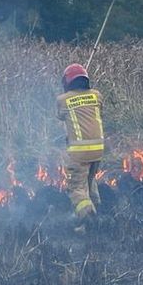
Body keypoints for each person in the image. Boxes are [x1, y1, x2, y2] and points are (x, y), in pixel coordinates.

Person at [56, 63, 104, 231]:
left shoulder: (63, 100)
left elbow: (60, 116)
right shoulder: (96, 96)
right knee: (89, 182)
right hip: (98, 151)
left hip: (79, 153)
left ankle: (88, 217)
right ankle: (97, 210)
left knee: (76, 187)